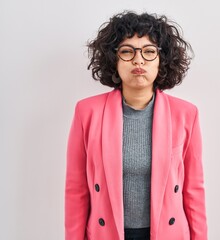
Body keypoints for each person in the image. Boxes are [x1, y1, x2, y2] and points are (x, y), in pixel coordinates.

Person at [65, 11, 207, 240]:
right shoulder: (87, 112)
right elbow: (76, 190)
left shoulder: (186, 114)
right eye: (127, 51)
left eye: (149, 51)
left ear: (163, 60)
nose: (138, 60)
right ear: (114, 59)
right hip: (106, 233)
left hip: (168, 234)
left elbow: (194, 190)